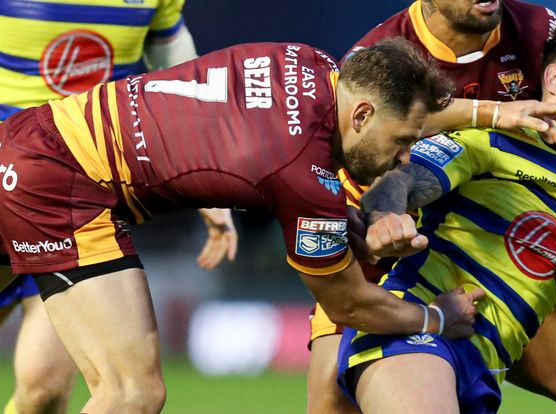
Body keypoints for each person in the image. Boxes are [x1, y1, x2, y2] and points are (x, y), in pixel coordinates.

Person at [0, 37, 497, 413]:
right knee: (132, 393)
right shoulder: (303, 172)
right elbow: (347, 302)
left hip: (27, 134)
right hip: (60, 184)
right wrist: (435, 319)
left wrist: (338, 220)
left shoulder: (309, 61)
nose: (403, 159)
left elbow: (244, 140)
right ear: (362, 113)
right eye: (403, 140)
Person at [338, 1, 556, 413]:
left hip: (485, 370)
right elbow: (403, 179)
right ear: (553, 79)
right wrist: (385, 217)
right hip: (413, 329)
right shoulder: (491, 141)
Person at [0, 2, 239, 414]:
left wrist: (212, 193)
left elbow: (181, 76)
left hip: (74, 202)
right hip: (6, 180)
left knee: (45, 385)